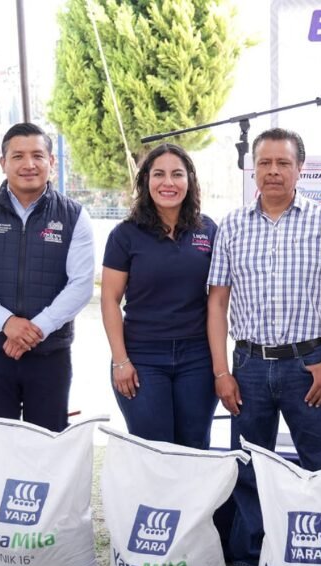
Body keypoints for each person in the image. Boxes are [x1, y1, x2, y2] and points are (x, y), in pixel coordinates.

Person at [208, 127, 321, 566]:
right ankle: (248, 559)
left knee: (318, 465)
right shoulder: (232, 225)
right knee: (248, 466)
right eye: (265, 162)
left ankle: (318, 557)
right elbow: (217, 303)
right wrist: (222, 372)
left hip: (308, 366)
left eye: (283, 163)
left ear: (300, 168)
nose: (273, 171)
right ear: (252, 168)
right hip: (249, 366)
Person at [0, 122, 95, 440]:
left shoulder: (74, 215)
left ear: (51, 162)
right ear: (3, 163)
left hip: (50, 354)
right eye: (18, 156)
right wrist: (7, 323)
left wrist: (35, 329)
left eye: (37, 155)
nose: (29, 164)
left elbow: (81, 285)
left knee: (47, 447)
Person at [100, 143, 218, 447]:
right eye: (159, 174)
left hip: (197, 358)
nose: (168, 183)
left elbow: (219, 300)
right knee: (154, 450)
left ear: (190, 181)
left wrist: (220, 368)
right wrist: (120, 361)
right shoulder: (125, 235)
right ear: (145, 181)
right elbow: (110, 300)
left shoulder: (208, 230)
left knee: (194, 448)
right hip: (142, 357)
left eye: (177, 174)